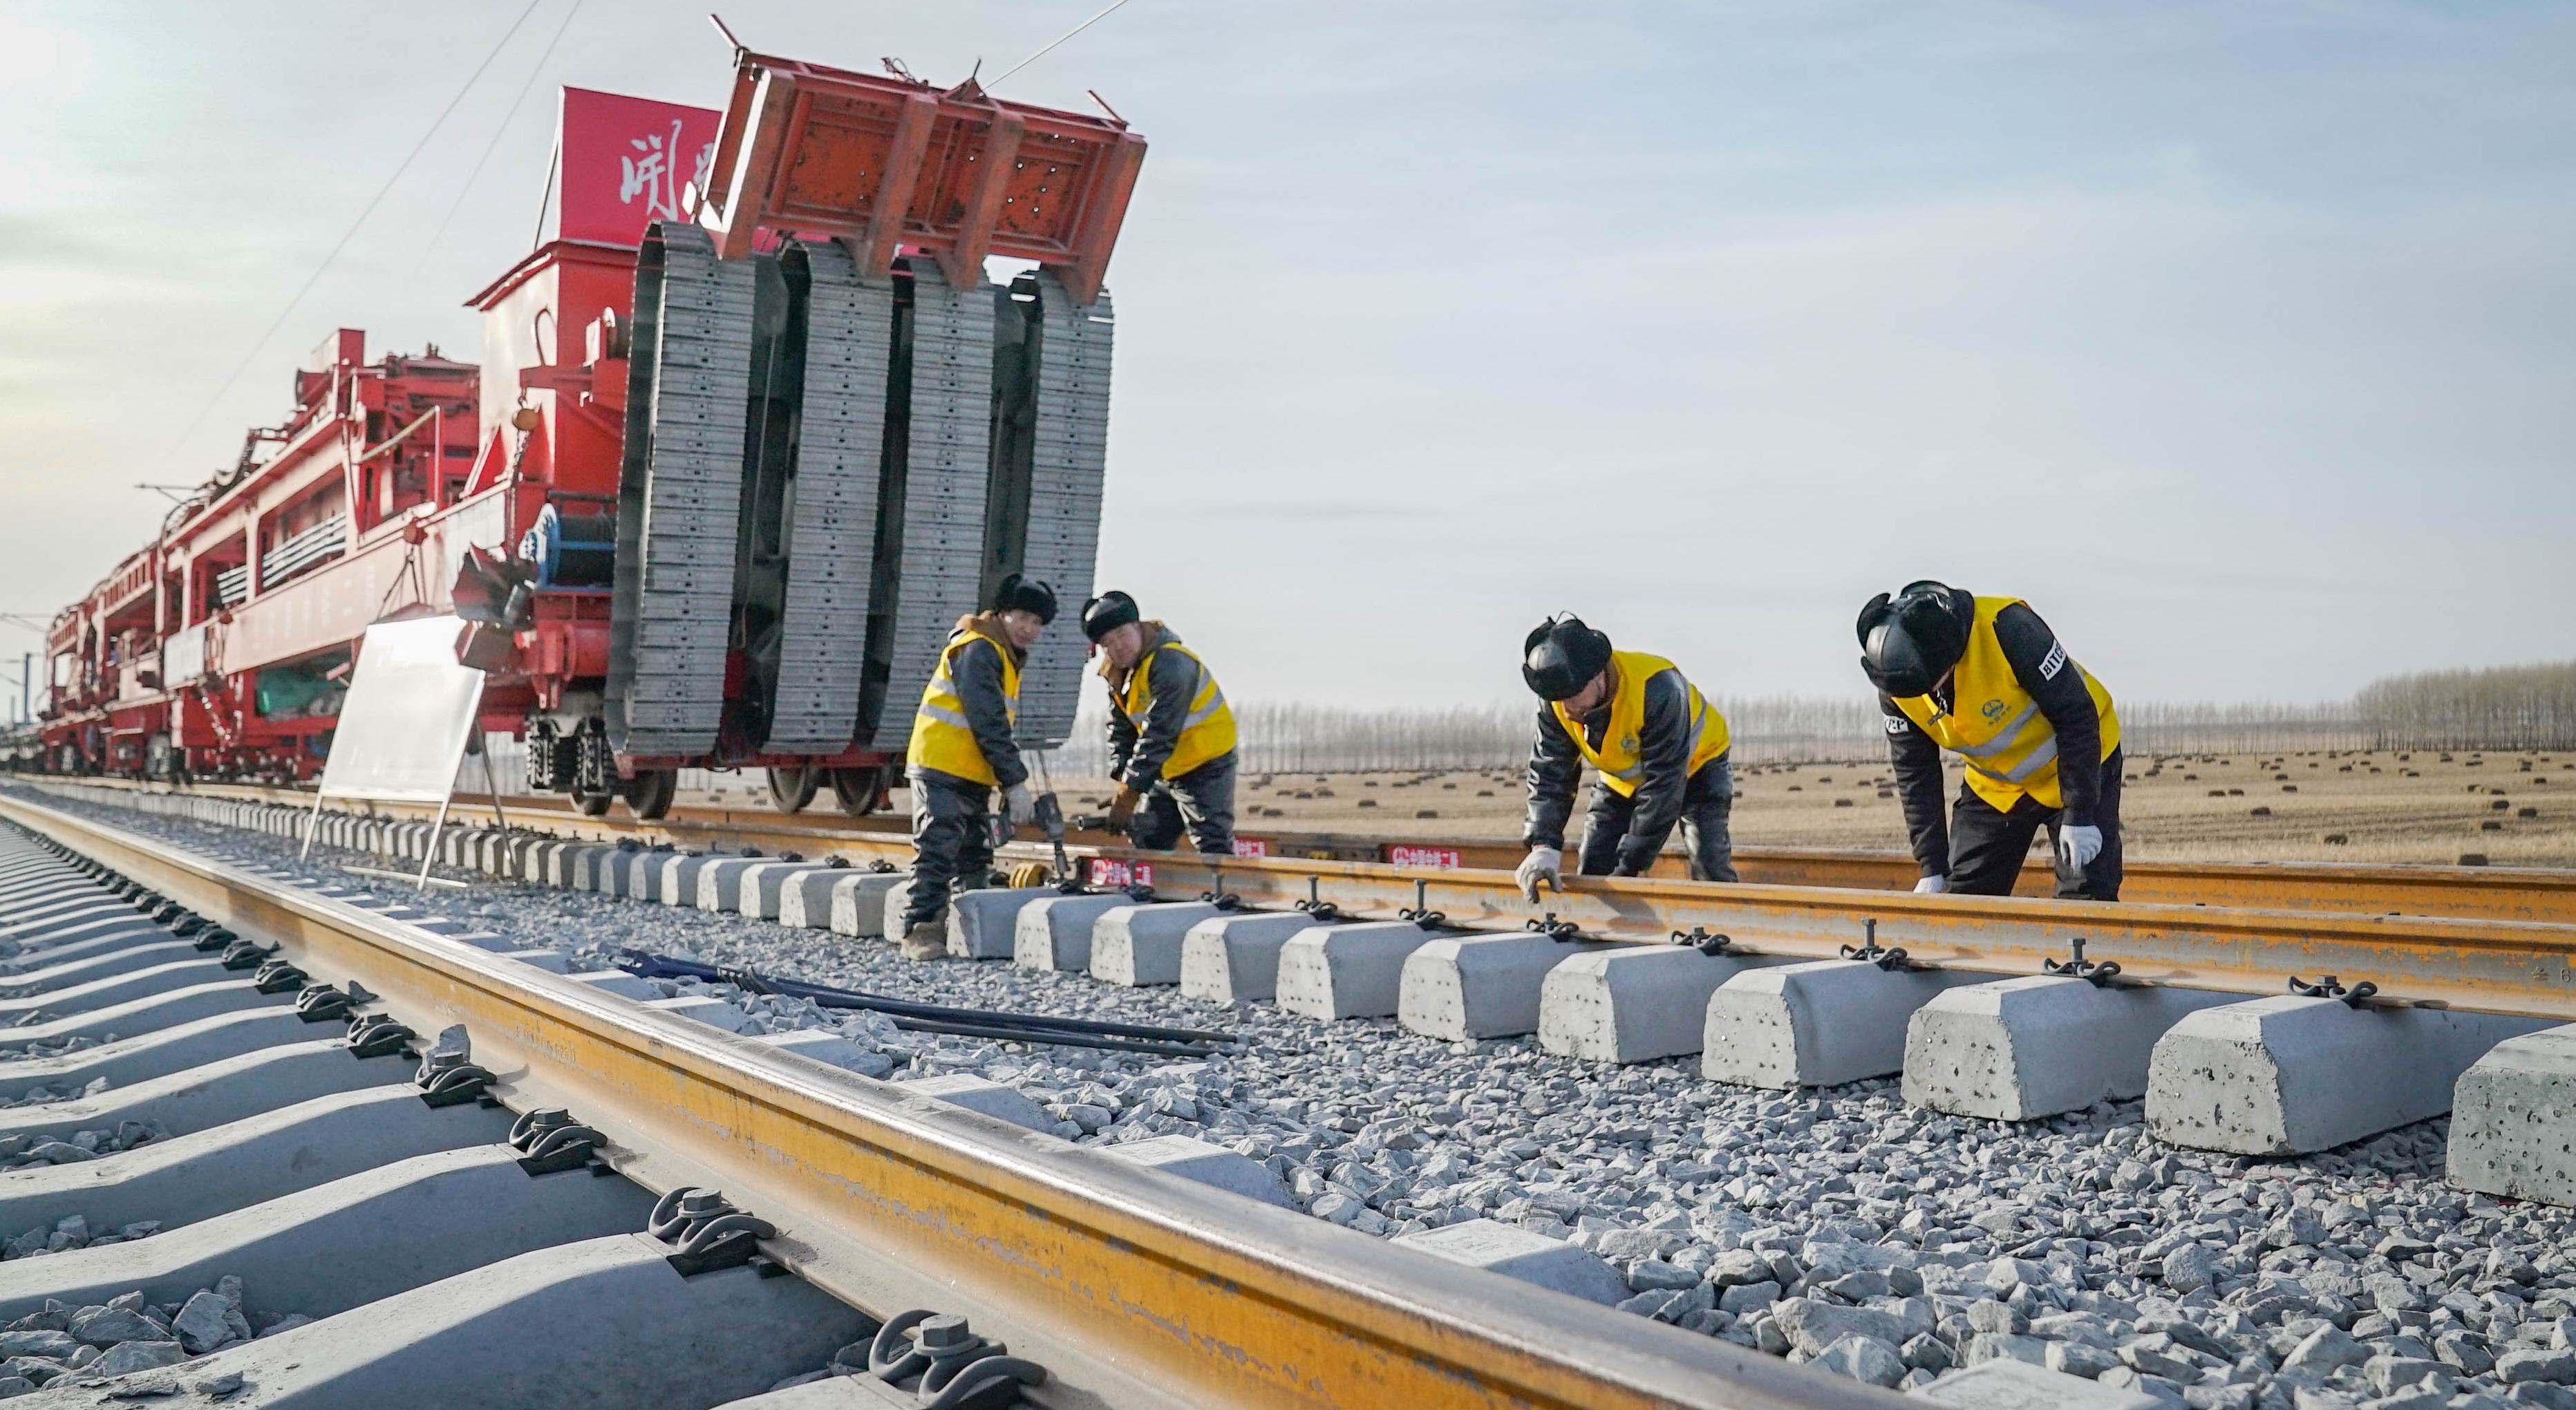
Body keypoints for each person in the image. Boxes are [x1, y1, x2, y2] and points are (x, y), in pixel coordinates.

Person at [1857, 581, 2123, 900]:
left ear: (1948, 655)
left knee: (2085, 896)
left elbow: (2076, 717)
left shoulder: (2007, 629)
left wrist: (2080, 813)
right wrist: (1931, 865)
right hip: (1997, 787)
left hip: (2079, 764)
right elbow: (1915, 774)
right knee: (1965, 899)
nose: (1924, 696)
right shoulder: (1897, 679)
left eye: (1930, 686)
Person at [1514, 614, 1737, 901]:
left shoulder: (1659, 690)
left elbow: (1663, 788)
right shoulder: (1556, 698)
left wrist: (1629, 865)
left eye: (1573, 696)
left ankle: (1725, 927)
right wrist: (1543, 845)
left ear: (1597, 675)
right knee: (1594, 866)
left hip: (1698, 769)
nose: (1567, 708)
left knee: (1708, 864)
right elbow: (1550, 774)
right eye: (1558, 699)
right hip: (1622, 781)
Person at [896, 574, 1055, 959]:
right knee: (939, 842)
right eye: (1023, 618)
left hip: (969, 769)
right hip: (941, 763)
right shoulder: (979, 649)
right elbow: (988, 721)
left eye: (1037, 623)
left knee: (972, 849)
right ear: (1002, 614)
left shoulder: (1001, 654)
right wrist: (1015, 781)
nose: (1030, 629)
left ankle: (974, 927)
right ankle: (921, 930)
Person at [1082, 590, 1238, 854]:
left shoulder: (1171, 662)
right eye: (1108, 643)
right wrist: (1123, 776)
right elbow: (1121, 731)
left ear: (1138, 627)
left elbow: (1160, 732)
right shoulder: (1119, 675)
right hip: (1166, 769)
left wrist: (1130, 793)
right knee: (1150, 839)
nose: (1118, 647)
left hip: (1206, 763)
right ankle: (1154, 893)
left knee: (1211, 843)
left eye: (1122, 635)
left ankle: (1224, 892)